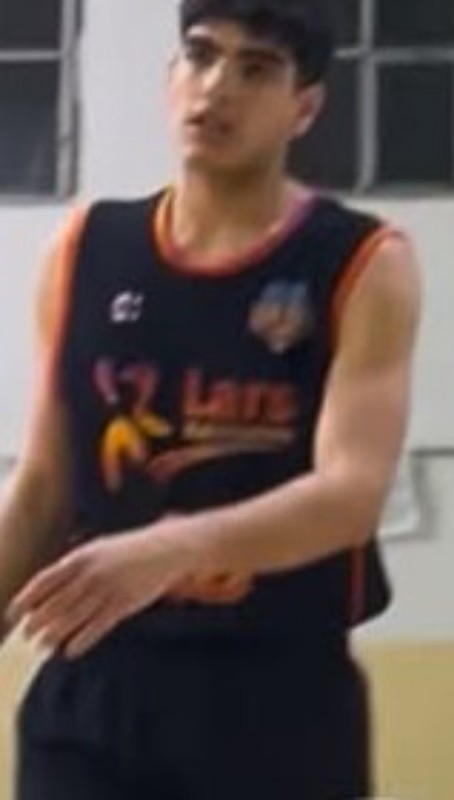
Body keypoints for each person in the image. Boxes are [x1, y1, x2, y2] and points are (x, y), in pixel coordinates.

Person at [0, 0, 420, 797]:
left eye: (256, 69)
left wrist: (173, 548)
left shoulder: (362, 261)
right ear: (172, 78)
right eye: (201, 56)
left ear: (305, 108)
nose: (218, 86)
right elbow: (45, 488)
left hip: (276, 692)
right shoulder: (86, 248)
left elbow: (351, 494)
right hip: (99, 683)